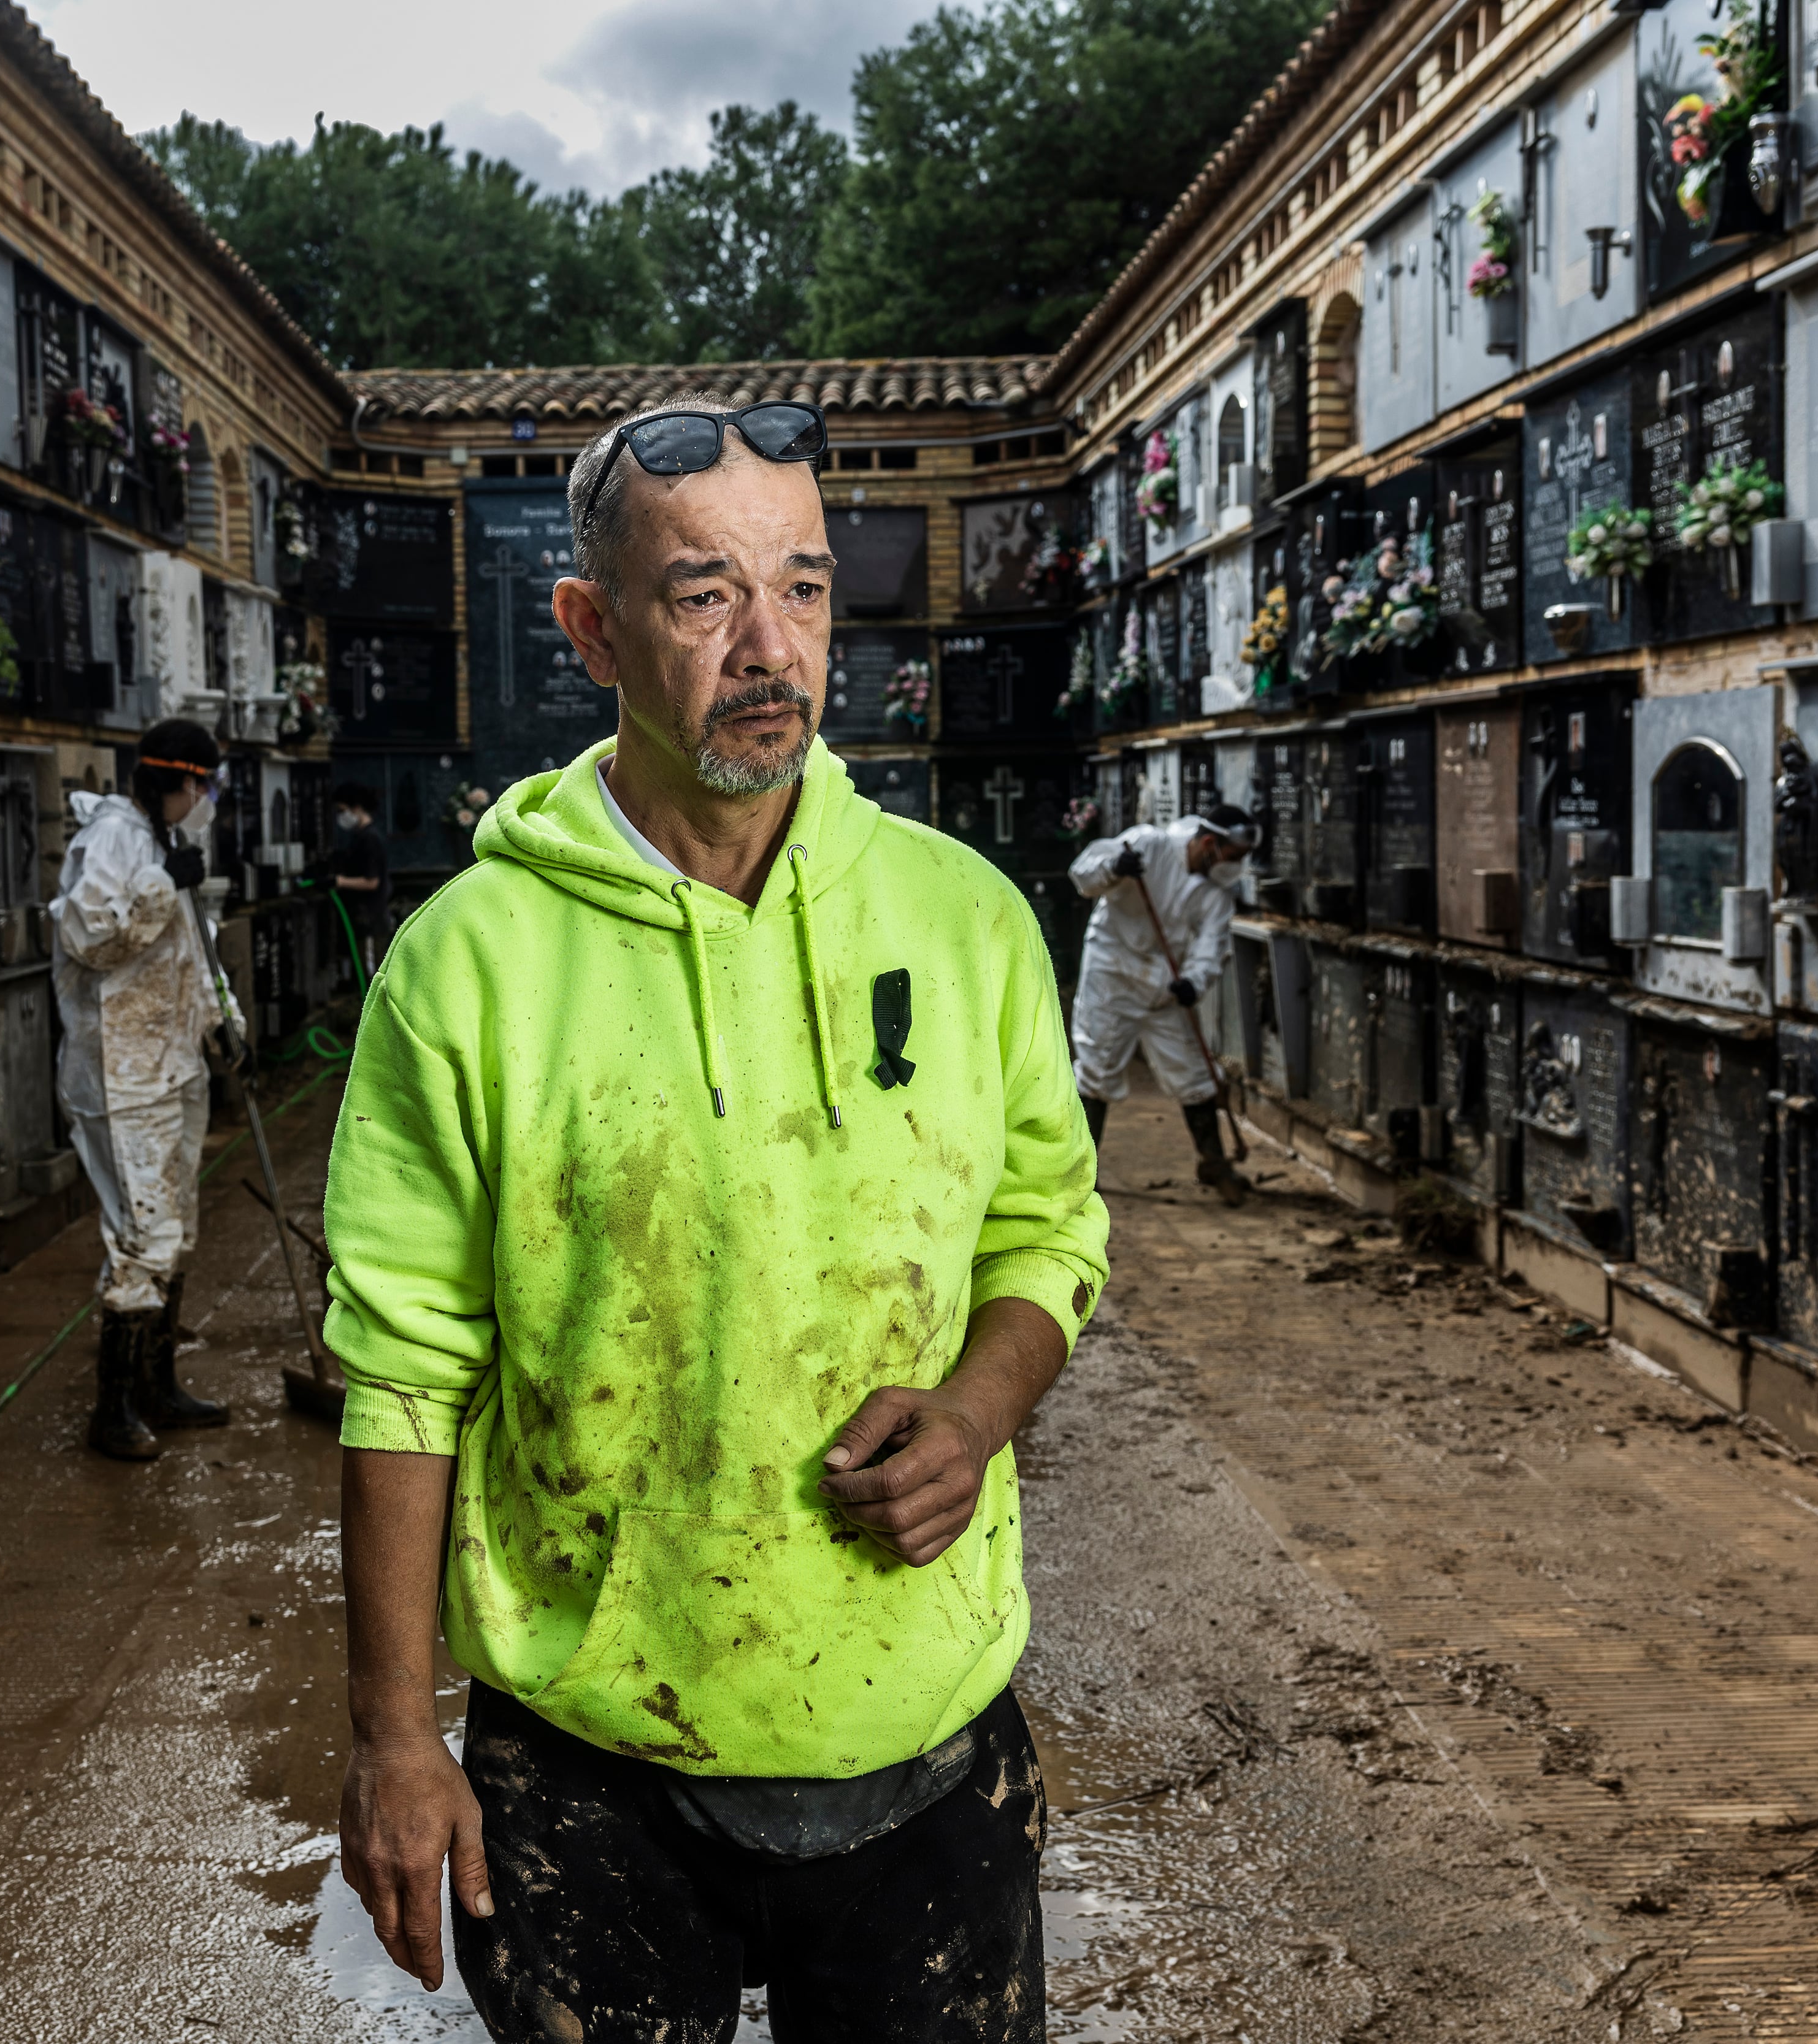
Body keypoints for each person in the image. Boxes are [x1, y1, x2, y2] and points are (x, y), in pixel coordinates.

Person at [323, 393, 1108, 2042]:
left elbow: (1050, 1227)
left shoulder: (964, 923)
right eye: (704, 595)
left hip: (923, 1720)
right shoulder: (472, 965)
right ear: (592, 628)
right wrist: (398, 1729)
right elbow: (402, 1360)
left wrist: (977, 1408)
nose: (772, 646)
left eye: (806, 588)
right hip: (593, 1755)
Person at [51, 719, 244, 1458]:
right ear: (172, 781)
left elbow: (194, 951)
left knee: (177, 1231)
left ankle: (157, 1387)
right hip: (121, 1071)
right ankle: (113, 1409)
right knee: (142, 1234)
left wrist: (226, 1023)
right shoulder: (111, 840)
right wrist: (166, 888)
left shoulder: (167, 844)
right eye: (198, 785)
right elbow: (90, 939)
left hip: (174, 1063)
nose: (202, 799)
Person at [1067, 801, 1260, 1205]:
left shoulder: (1215, 894)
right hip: (1112, 975)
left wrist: (1194, 981)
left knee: (1195, 1075)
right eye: (1234, 856)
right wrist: (1115, 868)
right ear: (1209, 842)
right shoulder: (1148, 845)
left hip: (1165, 990)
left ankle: (1213, 1160)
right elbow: (1083, 874)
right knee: (1097, 1070)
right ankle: (1080, 1172)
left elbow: (1211, 946)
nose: (1235, 866)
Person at [325, 781, 391, 983]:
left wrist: (340, 881)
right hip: (363, 919)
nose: (340, 817)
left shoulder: (369, 839)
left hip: (371, 920)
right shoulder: (359, 837)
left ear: (356, 807)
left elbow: (372, 882)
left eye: (342, 810)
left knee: (373, 979)